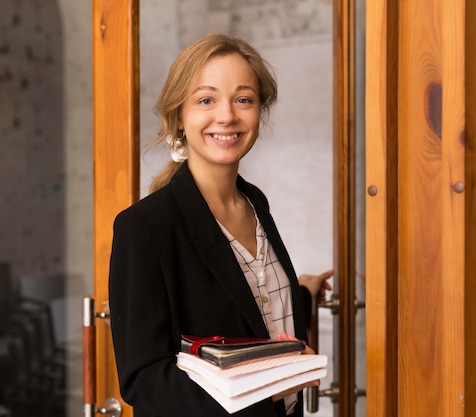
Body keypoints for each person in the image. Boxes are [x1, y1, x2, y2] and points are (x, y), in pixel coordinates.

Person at [108, 33, 332, 417]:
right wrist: (275, 386)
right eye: (206, 100)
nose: (227, 115)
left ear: (259, 111)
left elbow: (243, 307)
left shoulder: (255, 202)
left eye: (243, 99)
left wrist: (301, 294)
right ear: (180, 116)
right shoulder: (143, 228)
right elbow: (145, 381)